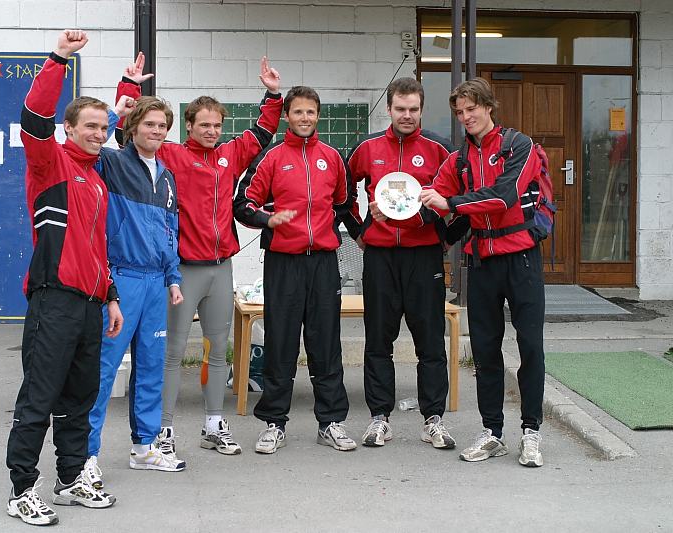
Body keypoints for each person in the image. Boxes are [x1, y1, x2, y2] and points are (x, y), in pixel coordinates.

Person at [115, 55, 283, 459]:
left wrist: (273, 94)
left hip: (220, 268)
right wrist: (129, 86)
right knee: (172, 353)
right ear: (188, 126)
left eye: (216, 125)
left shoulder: (230, 155)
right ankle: (163, 428)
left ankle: (213, 424)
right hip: (182, 270)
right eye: (203, 125)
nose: (211, 131)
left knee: (217, 349)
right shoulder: (172, 155)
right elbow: (128, 136)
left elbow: (262, 132)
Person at [5, 30, 121, 527]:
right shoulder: (49, 162)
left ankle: (71, 478)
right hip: (53, 302)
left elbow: (96, 249)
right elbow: (33, 117)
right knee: (40, 397)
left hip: (91, 306)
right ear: (67, 128)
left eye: (103, 127)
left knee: (79, 400)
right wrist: (58, 59)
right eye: (89, 125)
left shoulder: (96, 179)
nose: (98, 133)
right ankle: (21, 489)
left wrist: (110, 296)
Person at [416, 77, 546, 467]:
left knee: (530, 347)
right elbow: (433, 199)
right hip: (482, 262)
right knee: (485, 351)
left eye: (471, 108)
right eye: (459, 112)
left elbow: (504, 196)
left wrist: (451, 203)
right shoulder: (458, 159)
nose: (465, 117)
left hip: (521, 258)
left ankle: (531, 432)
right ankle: (493, 433)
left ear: (488, 106)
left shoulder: (518, 145)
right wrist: (391, 208)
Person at [234, 86, 357, 454]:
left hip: (322, 263)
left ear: (318, 116)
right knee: (281, 343)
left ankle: (331, 422)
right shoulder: (271, 157)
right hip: (283, 263)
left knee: (326, 343)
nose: (305, 118)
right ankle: (274, 423)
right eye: (298, 112)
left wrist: (321, 228)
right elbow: (243, 204)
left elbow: (343, 202)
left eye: (311, 112)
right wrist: (268, 220)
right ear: (287, 115)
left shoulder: (332, 157)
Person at [343, 78, 456, 450]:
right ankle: (380, 418)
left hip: (424, 256)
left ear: (422, 110)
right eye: (400, 109)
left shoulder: (440, 148)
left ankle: (433, 419)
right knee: (378, 340)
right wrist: (359, 230)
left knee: (430, 342)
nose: (407, 115)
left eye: (413, 109)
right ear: (389, 109)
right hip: (380, 257)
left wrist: (444, 235)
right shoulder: (368, 147)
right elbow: (341, 192)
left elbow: (460, 198)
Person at [82, 94, 186, 491]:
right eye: (149, 124)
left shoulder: (166, 175)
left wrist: (173, 277)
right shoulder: (111, 162)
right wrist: (115, 113)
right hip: (122, 279)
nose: (156, 131)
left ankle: (144, 448)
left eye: (162, 126)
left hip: (157, 283)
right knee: (103, 369)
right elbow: (86, 146)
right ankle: (85, 456)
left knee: (151, 366)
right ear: (132, 128)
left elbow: (169, 231)